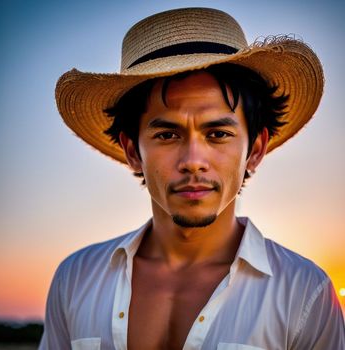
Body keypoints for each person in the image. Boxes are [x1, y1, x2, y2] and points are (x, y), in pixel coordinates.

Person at [39, 7, 345, 350]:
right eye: (167, 135)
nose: (193, 162)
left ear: (255, 150)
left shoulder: (304, 293)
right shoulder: (76, 279)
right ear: (132, 151)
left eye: (217, 134)